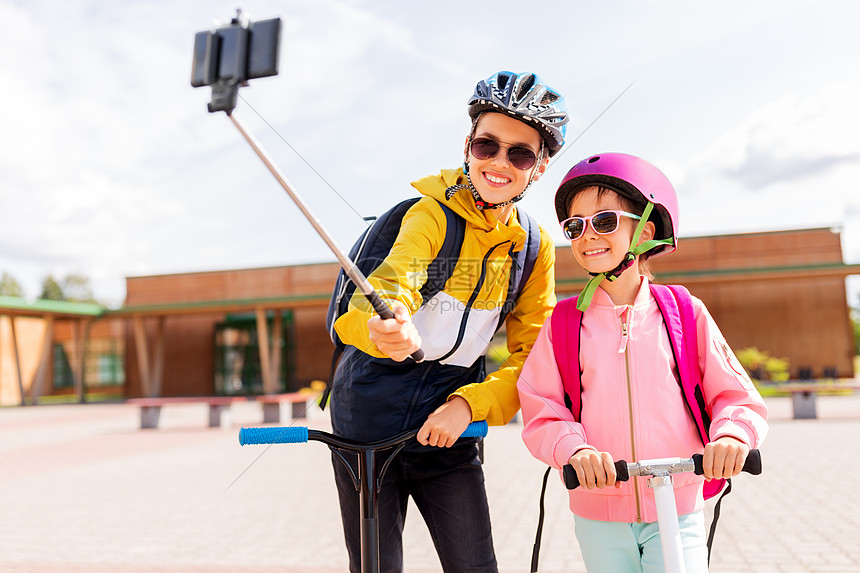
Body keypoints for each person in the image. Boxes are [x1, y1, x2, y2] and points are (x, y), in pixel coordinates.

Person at [328, 71, 568, 573]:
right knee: (375, 567)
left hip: (451, 424)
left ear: (539, 167)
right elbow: (391, 287)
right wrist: (384, 328)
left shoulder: (534, 247)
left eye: (519, 154)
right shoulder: (430, 215)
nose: (500, 163)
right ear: (468, 146)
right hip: (369, 415)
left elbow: (535, 359)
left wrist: (470, 403)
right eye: (488, 145)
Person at [517, 152, 769, 573]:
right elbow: (541, 407)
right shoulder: (564, 323)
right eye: (575, 226)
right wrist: (573, 450)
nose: (586, 235)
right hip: (598, 509)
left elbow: (735, 396)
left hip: (678, 501)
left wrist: (733, 437)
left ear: (646, 230)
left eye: (604, 220)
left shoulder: (684, 312)